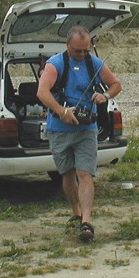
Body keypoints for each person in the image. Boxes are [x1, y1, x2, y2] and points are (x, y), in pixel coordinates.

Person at [37, 26, 122, 242]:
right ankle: (75, 212)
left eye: (85, 51)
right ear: (68, 46)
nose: (82, 55)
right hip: (60, 129)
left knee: (85, 174)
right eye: (77, 51)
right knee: (67, 175)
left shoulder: (94, 63)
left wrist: (104, 95)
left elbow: (115, 84)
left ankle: (86, 221)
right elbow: (42, 92)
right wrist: (61, 111)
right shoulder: (55, 65)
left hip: (86, 129)